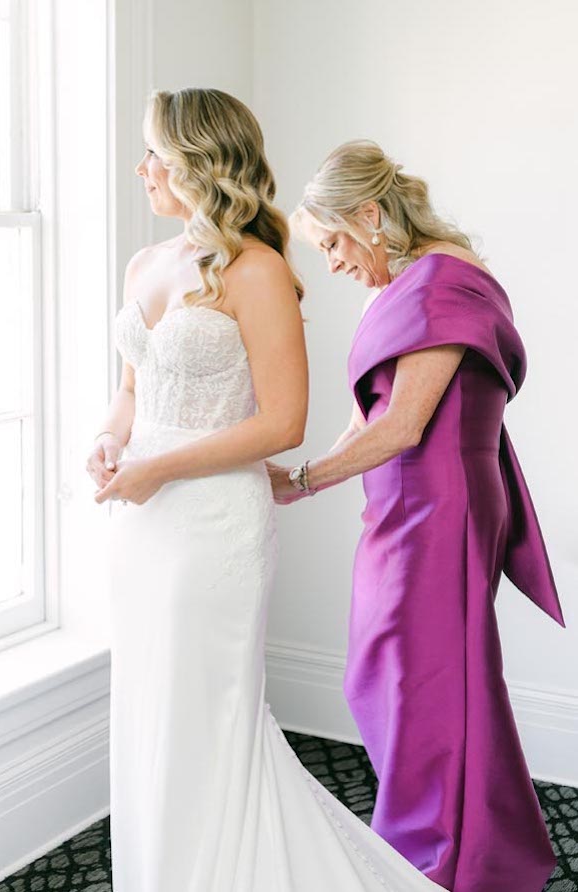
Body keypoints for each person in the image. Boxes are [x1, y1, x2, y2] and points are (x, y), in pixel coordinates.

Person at [86, 90, 450, 892]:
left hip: (212, 525)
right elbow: (131, 395)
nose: (141, 167)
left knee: (204, 713)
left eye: (153, 152)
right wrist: (112, 441)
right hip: (140, 527)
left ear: (195, 163)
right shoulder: (144, 264)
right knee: (150, 706)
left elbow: (283, 423)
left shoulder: (258, 270)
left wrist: (156, 469)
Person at [267, 138, 565, 892]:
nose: (329, 261)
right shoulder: (409, 280)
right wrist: (306, 473)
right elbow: (372, 411)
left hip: (442, 510)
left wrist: (300, 481)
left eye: (332, 241)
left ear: (369, 215)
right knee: (395, 676)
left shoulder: (440, 285)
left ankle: (447, 859)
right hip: (408, 506)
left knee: (425, 684)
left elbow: (402, 427)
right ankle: (459, 844)